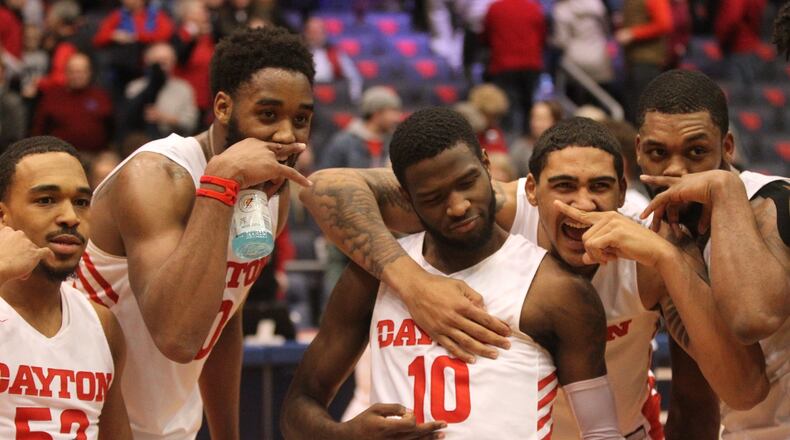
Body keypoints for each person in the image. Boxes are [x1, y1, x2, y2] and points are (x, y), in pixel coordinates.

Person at [300, 116, 769, 439]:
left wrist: (667, 261)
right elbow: (322, 187)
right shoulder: (488, 209)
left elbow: (726, 394)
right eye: (563, 186)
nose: (582, 205)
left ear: (623, 192)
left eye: (600, 187)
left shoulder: (654, 248)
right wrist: (412, 281)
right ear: (529, 192)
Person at [282, 108, 623, 439]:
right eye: (433, 197)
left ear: (486, 165)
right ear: (406, 196)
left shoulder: (556, 290)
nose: (459, 206)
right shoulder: (372, 275)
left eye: (467, 182)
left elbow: (602, 433)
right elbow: (298, 407)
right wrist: (343, 436)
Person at [72, 26, 313, 439]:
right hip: (85, 424)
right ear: (222, 107)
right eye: (268, 115)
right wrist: (220, 183)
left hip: (173, 427)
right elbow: (179, 337)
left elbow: (224, 318)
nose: (287, 135)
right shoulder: (155, 176)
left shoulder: (273, 192)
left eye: (302, 119)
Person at [633, 69, 789, 439]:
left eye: (697, 152)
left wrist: (724, 188)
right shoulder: (671, 236)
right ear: (638, 150)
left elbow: (753, 317)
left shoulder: (775, 201)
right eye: (658, 153)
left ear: (728, 146)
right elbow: (694, 397)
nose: (676, 170)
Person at [0, 136, 131, 439]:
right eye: (46, 200)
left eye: (82, 202)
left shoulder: (102, 324)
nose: (71, 217)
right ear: (2, 217)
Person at [31, 52, 114, 153]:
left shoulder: (101, 97)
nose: (77, 76)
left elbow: (111, 128)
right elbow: (39, 129)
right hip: (60, 157)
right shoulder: (52, 97)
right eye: (73, 72)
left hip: (95, 157)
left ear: (89, 72)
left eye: (82, 72)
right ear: (66, 73)